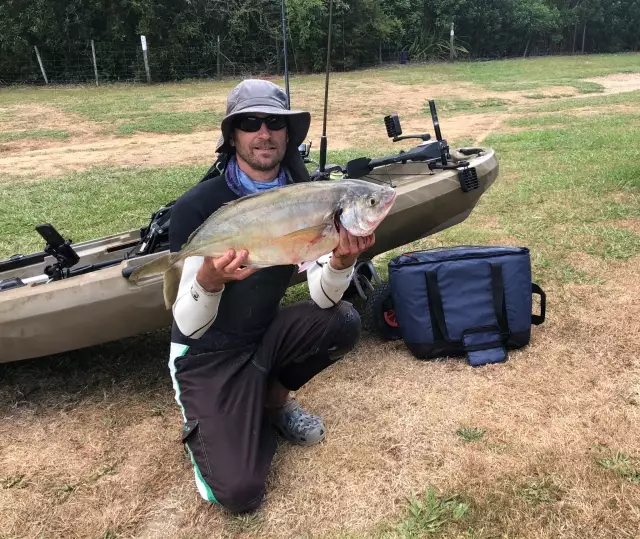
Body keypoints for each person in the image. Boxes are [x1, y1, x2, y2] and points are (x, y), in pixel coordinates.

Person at [167, 79, 375, 514]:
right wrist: (209, 280)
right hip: (206, 354)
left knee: (343, 320)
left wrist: (339, 264)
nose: (264, 132)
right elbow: (187, 325)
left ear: (289, 133)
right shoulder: (197, 206)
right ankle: (226, 416)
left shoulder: (312, 196)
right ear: (232, 135)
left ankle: (272, 402)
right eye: (249, 122)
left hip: (262, 336)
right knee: (240, 493)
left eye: (275, 123)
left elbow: (323, 300)